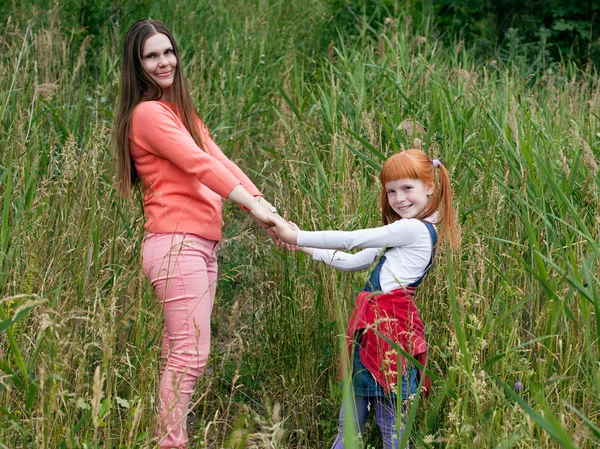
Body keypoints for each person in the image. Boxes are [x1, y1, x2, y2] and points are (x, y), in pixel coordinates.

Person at [113, 19, 284, 449]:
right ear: (137, 65)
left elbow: (219, 159)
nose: (163, 61)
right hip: (176, 244)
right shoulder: (148, 113)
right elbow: (199, 166)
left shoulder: (180, 113)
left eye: (167, 52)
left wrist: (267, 206)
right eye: (151, 56)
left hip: (198, 246)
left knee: (185, 354)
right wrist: (256, 209)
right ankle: (171, 444)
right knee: (189, 355)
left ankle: (168, 440)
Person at [270, 149, 458, 448]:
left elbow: (351, 238)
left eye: (408, 188)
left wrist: (298, 236)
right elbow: (351, 260)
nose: (399, 199)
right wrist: (303, 244)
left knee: (390, 429)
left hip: (388, 333)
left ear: (429, 187)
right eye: (392, 191)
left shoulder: (412, 229)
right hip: (373, 331)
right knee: (355, 424)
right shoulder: (405, 229)